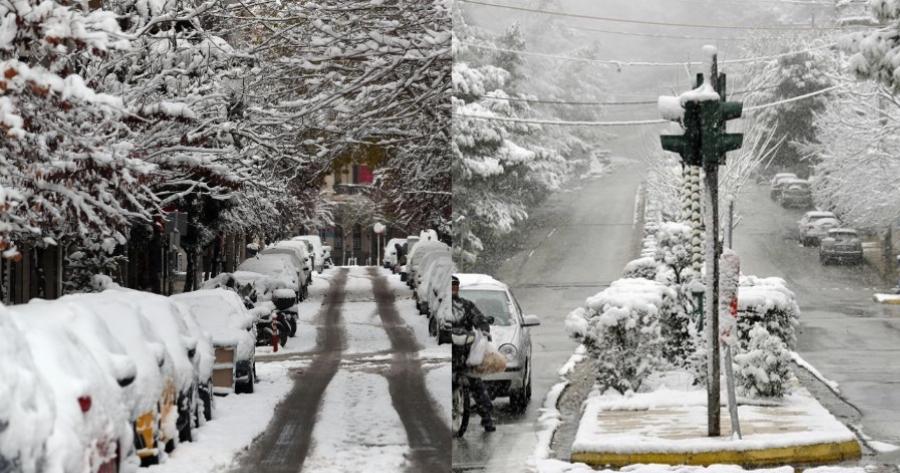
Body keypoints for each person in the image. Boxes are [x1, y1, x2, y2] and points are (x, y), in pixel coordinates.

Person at [451, 275, 496, 432]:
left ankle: (487, 418)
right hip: (447, 355)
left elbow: (479, 318)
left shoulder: (466, 305)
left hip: (465, 355)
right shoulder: (441, 307)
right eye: (450, 286)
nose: (453, 289)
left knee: (476, 384)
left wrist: (484, 328)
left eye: (455, 286)